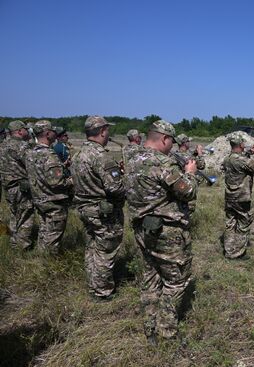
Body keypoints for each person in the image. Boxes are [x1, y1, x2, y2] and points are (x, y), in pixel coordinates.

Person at [125, 120, 198, 343]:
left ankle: (150, 328)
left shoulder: (132, 160)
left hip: (143, 228)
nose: (172, 147)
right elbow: (188, 192)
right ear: (164, 139)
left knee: (150, 279)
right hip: (167, 232)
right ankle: (167, 331)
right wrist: (191, 173)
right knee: (176, 281)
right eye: (171, 142)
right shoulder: (163, 163)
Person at [70, 116, 125, 301]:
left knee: (92, 247)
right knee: (105, 251)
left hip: (85, 209)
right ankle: (102, 292)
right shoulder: (101, 156)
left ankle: (94, 285)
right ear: (102, 131)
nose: (109, 134)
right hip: (103, 213)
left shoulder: (78, 155)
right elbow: (115, 188)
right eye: (107, 130)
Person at [25, 120, 73, 254]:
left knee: (44, 233)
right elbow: (57, 183)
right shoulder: (49, 155)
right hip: (53, 202)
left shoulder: (31, 152)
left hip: (39, 199)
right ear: (47, 133)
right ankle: (48, 265)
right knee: (52, 238)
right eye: (53, 131)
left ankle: (40, 261)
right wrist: (72, 180)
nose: (55, 133)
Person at [221, 133, 254, 259]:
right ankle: (238, 253)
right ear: (240, 144)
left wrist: (248, 154)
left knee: (230, 223)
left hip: (230, 196)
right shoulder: (241, 160)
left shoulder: (227, 159)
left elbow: (241, 162)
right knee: (243, 223)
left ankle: (229, 250)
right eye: (243, 143)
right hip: (242, 197)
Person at [0, 120, 34, 250]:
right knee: (25, 217)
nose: (27, 131)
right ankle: (23, 247)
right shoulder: (21, 146)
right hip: (21, 188)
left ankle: (14, 242)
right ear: (20, 131)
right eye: (25, 129)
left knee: (14, 215)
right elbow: (31, 164)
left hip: (8, 187)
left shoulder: (3, 145)